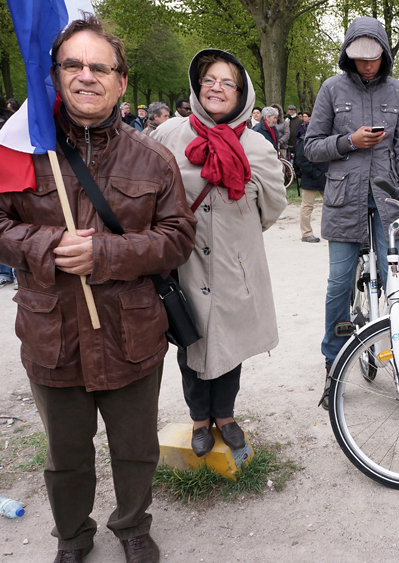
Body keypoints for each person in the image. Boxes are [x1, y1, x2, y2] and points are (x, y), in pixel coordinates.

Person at [0, 14, 196, 562]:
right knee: (66, 456)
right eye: (73, 65)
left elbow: (178, 237)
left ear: (120, 81)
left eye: (99, 67)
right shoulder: (20, 153)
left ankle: (132, 525)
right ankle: (73, 536)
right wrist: (45, 244)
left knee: (135, 449)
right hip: (52, 335)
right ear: (56, 75)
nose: (87, 76)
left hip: (132, 332)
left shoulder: (153, 158)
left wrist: (105, 251)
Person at [151, 49, 287, 458]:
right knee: (191, 341)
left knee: (228, 341)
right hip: (185, 263)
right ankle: (198, 418)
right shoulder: (168, 135)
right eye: (209, 79)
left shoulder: (257, 145)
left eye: (228, 82)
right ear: (197, 85)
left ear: (241, 92)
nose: (216, 87)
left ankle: (225, 415)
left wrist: (237, 231)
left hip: (234, 262)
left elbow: (274, 205)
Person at [305, 16, 399, 409]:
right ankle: (333, 363)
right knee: (339, 283)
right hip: (342, 202)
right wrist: (348, 141)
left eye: (374, 58)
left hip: (388, 202)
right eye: (360, 58)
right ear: (348, 55)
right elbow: (312, 147)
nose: (367, 65)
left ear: (385, 54)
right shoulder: (332, 89)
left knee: (397, 283)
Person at [295, 113, 326, 243]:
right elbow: (301, 161)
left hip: (325, 177)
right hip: (311, 178)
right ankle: (306, 233)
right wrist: (316, 174)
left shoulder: (325, 138)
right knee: (307, 207)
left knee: (331, 206)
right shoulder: (304, 140)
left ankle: (330, 232)